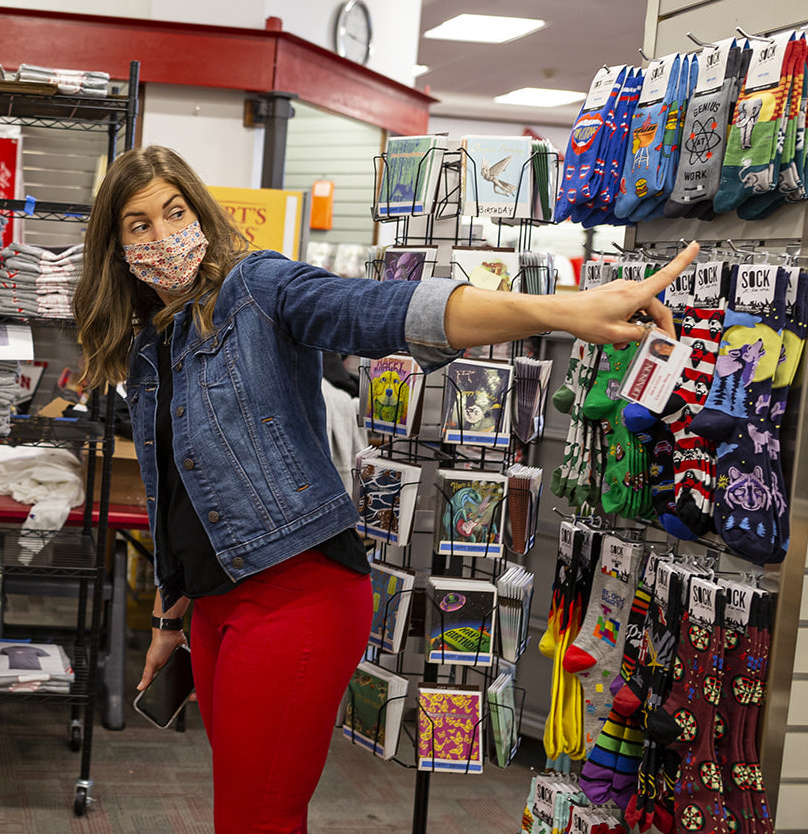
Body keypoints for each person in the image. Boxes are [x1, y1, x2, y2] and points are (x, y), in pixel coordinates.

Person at [71, 145, 698, 833]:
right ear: (116, 247)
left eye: (174, 212)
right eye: (138, 225)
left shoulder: (256, 290)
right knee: (247, 806)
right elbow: (180, 496)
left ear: (201, 214)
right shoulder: (151, 345)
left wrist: (559, 310)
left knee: (255, 817)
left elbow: (382, 307)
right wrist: (168, 616)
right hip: (217, 608)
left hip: (294, 596)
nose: (163, 238)